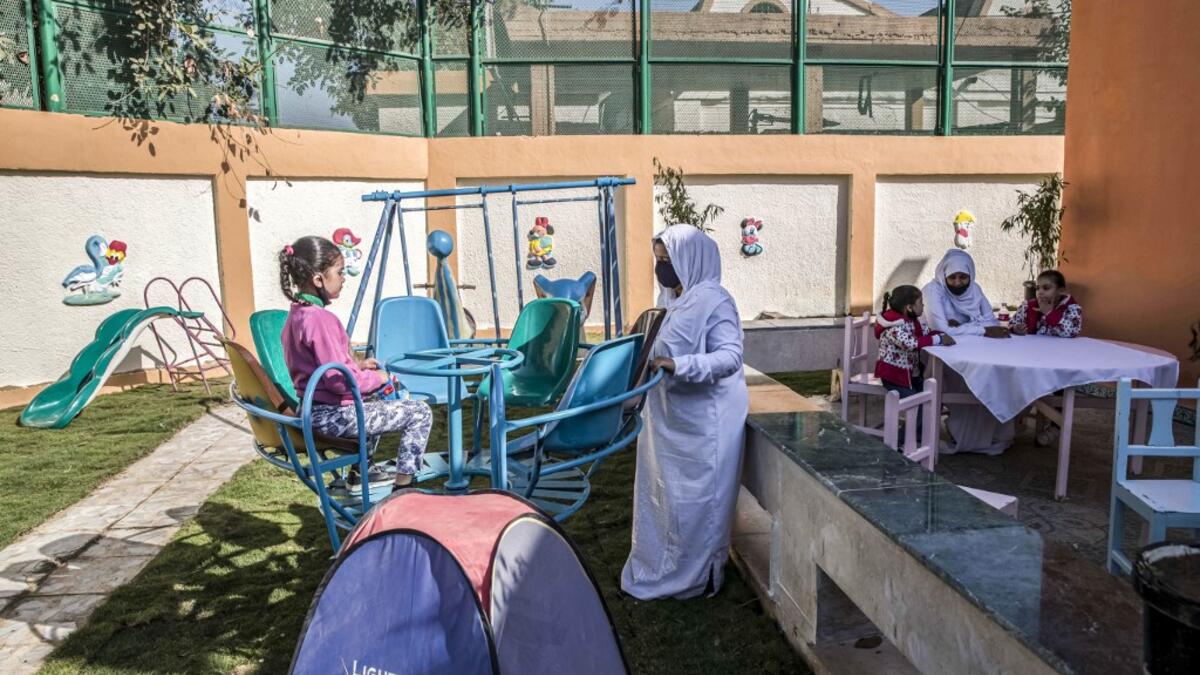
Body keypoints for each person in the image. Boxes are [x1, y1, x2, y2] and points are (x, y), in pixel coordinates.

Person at [621, 224, 749, 600]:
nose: (662, 268)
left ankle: (698, 576)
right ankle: (663, 564)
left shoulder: (715, 301)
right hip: (670, 422)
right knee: (668, 500)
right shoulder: (676, 300)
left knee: (699, 504)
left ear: (690, 259)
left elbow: (730, 356)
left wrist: (680, 365)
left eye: (668, 260)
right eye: (659, 260)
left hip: (705, 425)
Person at [278, 236, 432, 492]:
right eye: (339, 272)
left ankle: (362, 471)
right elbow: (339, 383)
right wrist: (377, 378)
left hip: (312, 410)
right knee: (419, 412)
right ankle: (404, 486)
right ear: (318, 279)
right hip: (331, 416)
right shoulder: (321, 320)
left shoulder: (297, 314)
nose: (343, 278)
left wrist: (358, 366)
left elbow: (319, 364)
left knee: (380, 399)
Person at [921, 249, 1015, 455]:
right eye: (952, 277)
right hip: (937, 352)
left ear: (970, 275)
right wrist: (979, 329)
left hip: (972, 350)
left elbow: (990, 321)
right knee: (969, 378)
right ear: (944, 275)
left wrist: (963, 326)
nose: (957, 283)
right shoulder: (933, 291)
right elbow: (941, 329)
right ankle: (965, 433)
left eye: (963, 277)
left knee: (990, 375)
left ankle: (988, 434)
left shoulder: (975, 290)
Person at [875, 285, 955, 442]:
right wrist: (938, 339)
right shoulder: (893, 326)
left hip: (911, 375)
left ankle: (917, 435)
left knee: (933, 398)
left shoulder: (912, 321)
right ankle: (900, 440)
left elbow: (925, 333)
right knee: (917, 405)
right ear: (909, 307)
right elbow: (911, 343)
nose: (923, 305)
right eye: (920, 302)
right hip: (894, 377)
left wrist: (942, 333)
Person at [1010, 270, 1083, 338]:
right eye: (1037, 288)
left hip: (1059, 347)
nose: (1040, 292)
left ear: (1061, 291)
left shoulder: (1072, 308)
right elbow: (1011, 324)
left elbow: (1071, 332)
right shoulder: (1027, 306)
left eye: (1046, 288)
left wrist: (1049, 313)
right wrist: (1015, 329)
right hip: (1031, 346)